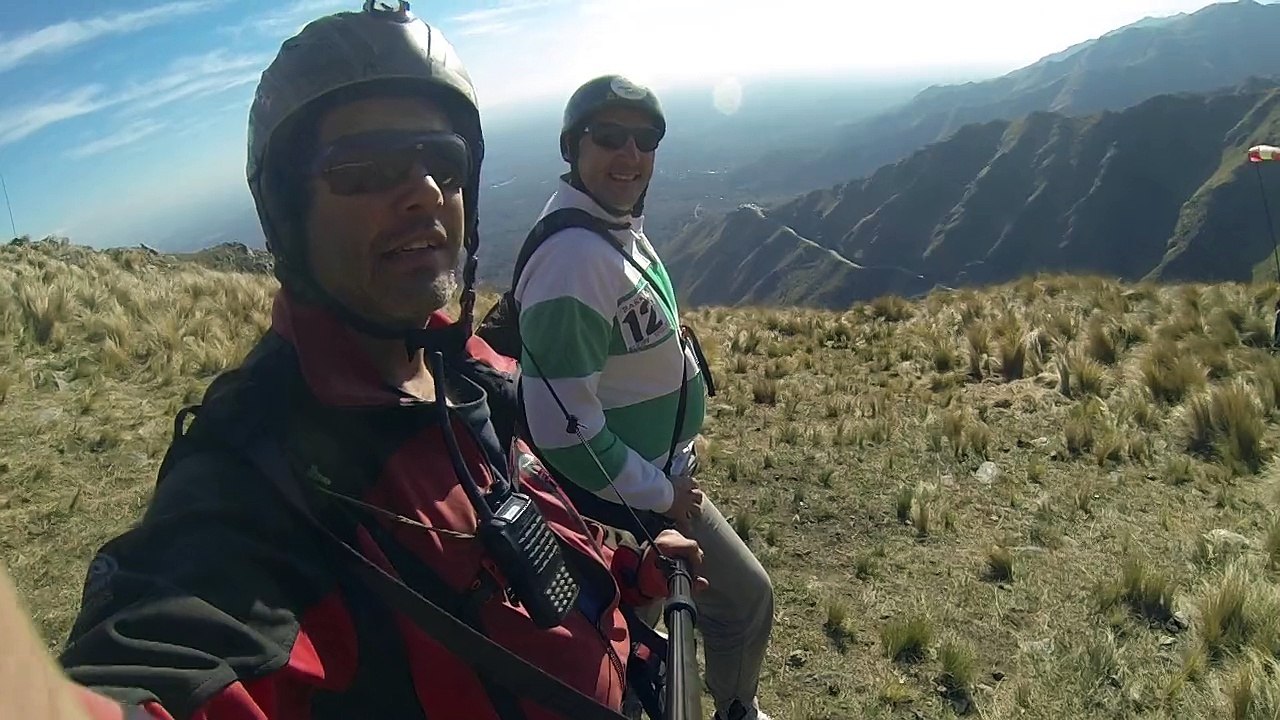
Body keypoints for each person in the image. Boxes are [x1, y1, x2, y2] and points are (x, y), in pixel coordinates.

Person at [1, 5, 708, 719]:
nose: (426, 191)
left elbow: (517, 533)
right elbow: (163, 666)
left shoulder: (467, 367)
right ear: (288, 210)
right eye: (366, 169)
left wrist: (626, 577)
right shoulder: (258, 490)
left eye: (444, 162)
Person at [513, 74, 775, 720]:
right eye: (609, 137)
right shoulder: (573, 257)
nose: (630, 155)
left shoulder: (611, 227)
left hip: (655, 488)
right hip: (625, 508)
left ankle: (722, 705)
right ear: (574, 147)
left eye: (645, 138)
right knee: (718, 611)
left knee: (647, 639)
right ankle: (725, 709)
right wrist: (663, 496)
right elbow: (564, 432)